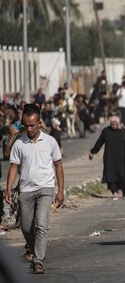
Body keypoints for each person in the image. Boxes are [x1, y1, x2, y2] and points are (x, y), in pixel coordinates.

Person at [6, 104, 64, 275]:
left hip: (46, 188)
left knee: (41, 223)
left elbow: (58, 166)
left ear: (39, 123)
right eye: (26, 125)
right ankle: (34, 250)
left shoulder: (50, 141)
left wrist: (60, 191)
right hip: (26, 189)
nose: (29, 129)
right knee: (25, 226)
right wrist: (8, 189)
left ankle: (38, 260)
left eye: (32, 125)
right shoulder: (20, 143)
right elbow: (13, 167)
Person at [88, 116, 125, 198]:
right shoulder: (106, 131)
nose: (114, 126)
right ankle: (114, 190)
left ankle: (120, 189)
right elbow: (99, 143)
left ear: (118, 123)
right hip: (109, 157)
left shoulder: (122, 131)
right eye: (112, 124)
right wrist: (92, 152)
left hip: (121, 157)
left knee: (121, 174)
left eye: (116, 124)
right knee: (110, 174)